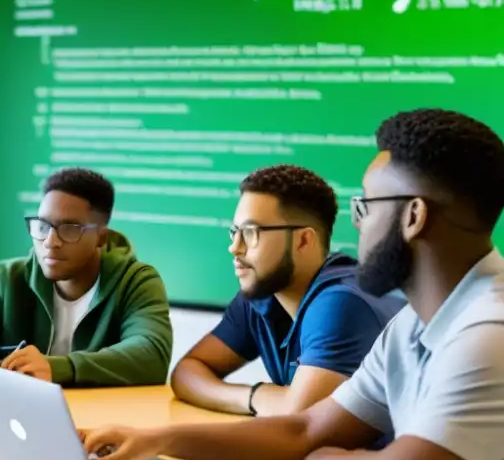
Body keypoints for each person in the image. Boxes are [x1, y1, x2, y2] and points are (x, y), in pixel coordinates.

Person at [81, 109, 504, 460]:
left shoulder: (487, 331)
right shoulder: (414, 324)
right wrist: (156, 441)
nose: (357, 225)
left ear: (414, 216)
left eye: (366, 206)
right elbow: (307, 429)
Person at [171, 165, 403, 416]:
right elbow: (187, 371)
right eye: (234, 232)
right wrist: (255, 397)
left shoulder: (340, 302)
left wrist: (280, 402)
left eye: (251, 233)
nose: (235, 248)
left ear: (303, 240)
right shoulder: (262, 294)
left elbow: (301, 414)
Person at [0, 167, 172, 387]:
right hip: (21, 423)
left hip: (104, 428)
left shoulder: (136, 281)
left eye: (69, 229)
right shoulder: (8, 278)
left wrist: (58, 368)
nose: (50, 241)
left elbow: (152, 356)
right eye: (43, 226)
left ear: (100, 238)